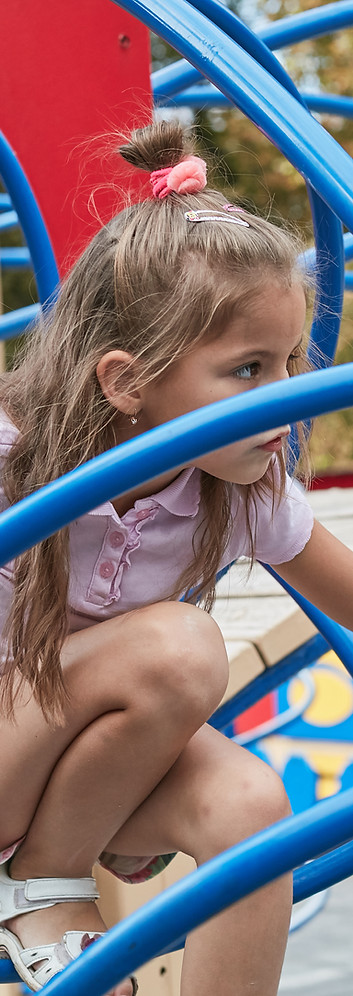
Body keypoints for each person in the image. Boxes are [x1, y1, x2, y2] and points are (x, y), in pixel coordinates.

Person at [0, 118, 352, 996]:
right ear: (127, 382)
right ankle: (46, 884)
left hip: (76, 785)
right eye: (244, 371)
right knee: (178, 645)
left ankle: (48, 875)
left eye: (288, 365)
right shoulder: (12, 457)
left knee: (255, 809)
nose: (280, 401)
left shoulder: (239, 490)